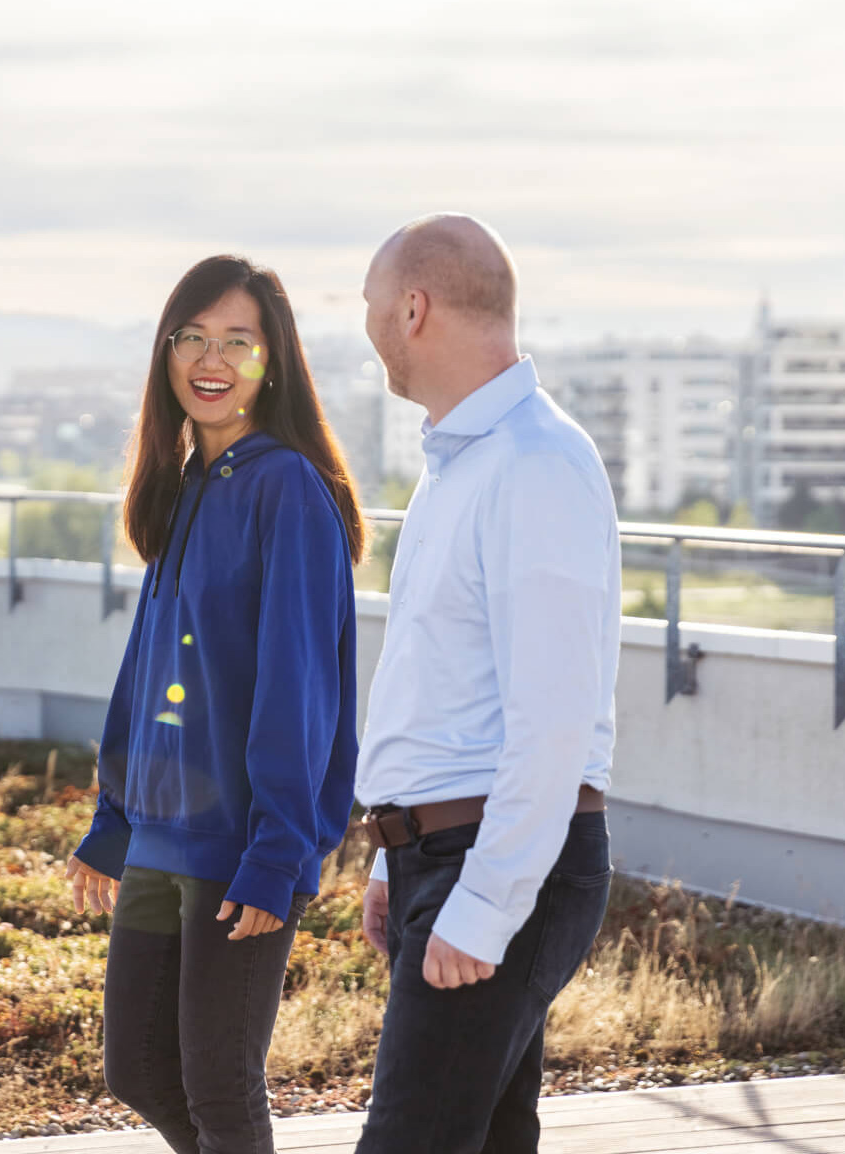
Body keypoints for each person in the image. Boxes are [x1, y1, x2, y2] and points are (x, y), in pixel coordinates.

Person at [66, 254, 365, 1154]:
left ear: (273, 364)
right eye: (192, 336)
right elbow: (149, 665)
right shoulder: (188, 484)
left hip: (238, 845)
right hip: (162, 836)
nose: (213, 357)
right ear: (165, 354)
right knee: (139, 1069)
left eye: (239, 341)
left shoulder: (286, 489)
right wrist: (113, 816)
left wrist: (280, 852)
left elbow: (298, 684)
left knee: (219, 1087)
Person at [353, 215, 621, 1154]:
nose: (370, 329)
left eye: (373, 307)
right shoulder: (461, 466)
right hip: (450, 856)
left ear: (413, 308)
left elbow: (552, 719)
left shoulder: (532, 464)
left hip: (497, 864)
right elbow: (437, 691)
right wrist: (393, 857)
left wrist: (483, 903)